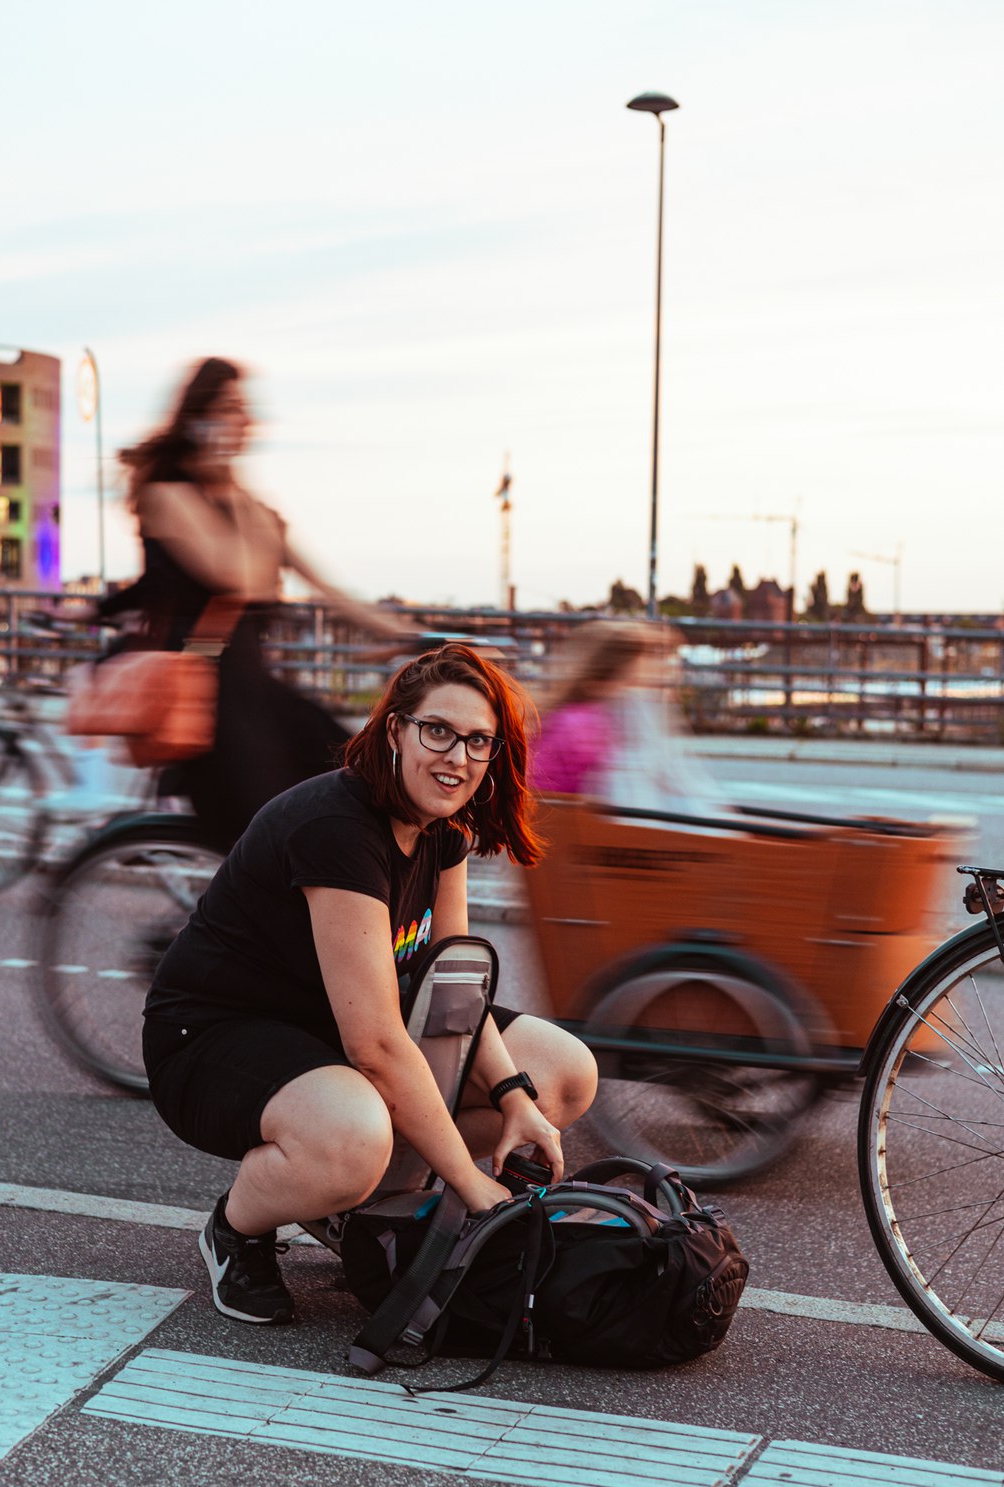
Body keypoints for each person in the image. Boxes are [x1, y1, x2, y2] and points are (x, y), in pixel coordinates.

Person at [142, 642, 598, 1324]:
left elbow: (452, 983)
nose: (457, 758)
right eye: (437, 731)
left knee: (562, 1074)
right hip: (214, 1036)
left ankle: (348, 1203)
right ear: (395, 730)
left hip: (335, 1028)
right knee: (353, 1137)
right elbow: (378, 1044)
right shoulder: (338, 829)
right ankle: (239, 1227)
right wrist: (471, 1184)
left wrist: (512, 1094)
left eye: (478, 741)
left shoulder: (445, 827)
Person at [101, 357, 407, 850]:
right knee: (269, 836)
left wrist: (400, 633)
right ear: (198, 419)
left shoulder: (244, 502)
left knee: (359, 772)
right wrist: (231, 491)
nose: (245, 421)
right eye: (230, 409)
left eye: (244, 409)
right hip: (206, 696)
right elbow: (239, 576)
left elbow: (320, 581)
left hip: (253, 684)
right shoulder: (167, 495)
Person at [532, 618, 729, 815]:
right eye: (639, 674)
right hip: (568, 827)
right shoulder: (587, 724)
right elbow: (636, 788)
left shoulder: (581, 716)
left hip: (564, 821)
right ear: (609, 680)